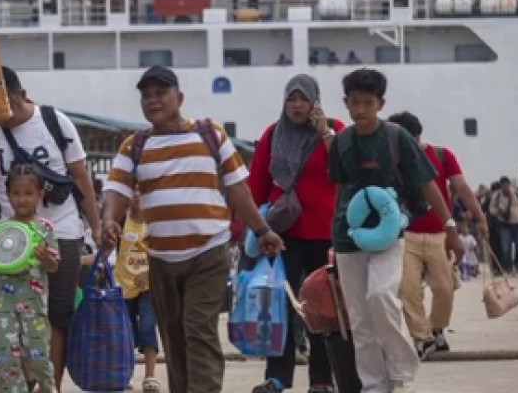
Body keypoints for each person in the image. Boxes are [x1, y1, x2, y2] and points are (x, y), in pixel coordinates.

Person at [102, 65, 283, 393]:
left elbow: (238, 189)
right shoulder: (135, 145)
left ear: (179, 97)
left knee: (198, 330)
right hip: (160, 258)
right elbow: (117, 190)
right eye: (147, 95)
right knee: (173, 337)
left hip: (208, 252)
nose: (153, 100)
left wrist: (261, 230)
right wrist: (109, 221)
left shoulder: (210, 134)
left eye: (161, 93)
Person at [329, 69, 459, 393]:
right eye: (354, 103)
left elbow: (427, 182)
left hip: (390, 234)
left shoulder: (396, 136)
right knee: (359, 318)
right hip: (349, 237)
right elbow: (339, 189)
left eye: (367, 103)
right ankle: (373, 385)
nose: (360, 110)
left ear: (380, 103)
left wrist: (450, 225)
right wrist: (332, 235)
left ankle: (400, 372)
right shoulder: (341, 141)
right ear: (346, 103)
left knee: (381, 297)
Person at [0, 67, 99, 388]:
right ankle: (22, 383)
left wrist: (96, 229)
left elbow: (82, 179)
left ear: (22, 95)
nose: (4, 112)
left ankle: (51, 385)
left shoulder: (54, 122)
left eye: (8, 103)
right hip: (9, 238)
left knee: (56, 315)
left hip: (61, 232)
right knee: (13, 315)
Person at [247, 74, 342, 393]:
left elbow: (345, 171)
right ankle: (277, 377)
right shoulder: (273, 134)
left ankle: (321, 379)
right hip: (282, 236)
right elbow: (256, 187)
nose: (298, 105)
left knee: (323, 309)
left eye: (303, 99)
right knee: (280, 306)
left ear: (315, 101)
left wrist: (324, 133)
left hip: (326, 234)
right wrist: (255, 229)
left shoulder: (335, 130)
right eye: (292, 99)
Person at [386, 111, 485, 359]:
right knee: (409, 289)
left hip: (440, 234)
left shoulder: (441, 155)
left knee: (444, 288)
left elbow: (461, 188)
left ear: (417, 137)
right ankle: (421, 338)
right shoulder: (392, 161)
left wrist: (480, 217)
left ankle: (436, 329)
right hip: (405, 235)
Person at [0, 164, 59, 393]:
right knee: (5, 357)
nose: (22, 199)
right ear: (7, 196)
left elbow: (54, 266)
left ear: (40, 195)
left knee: (37, 355)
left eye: (28, 193)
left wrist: (45, 258)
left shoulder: (44, 229)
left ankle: (48, 387)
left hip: (33, 305)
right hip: (2, 305)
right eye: (16, 193)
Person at [114, 189, 160, 393]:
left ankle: (150, 376)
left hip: (149, 286)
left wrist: (149, 274)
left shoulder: (155, 223)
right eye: (133, 190)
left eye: (142, 190)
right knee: (126, 331)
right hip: (123, 285)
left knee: (148, 326)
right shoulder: (120, 221)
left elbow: (162, 254)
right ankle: (126, 373)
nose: (136, 195)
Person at [489, 177, 518, 273]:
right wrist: (498, 211)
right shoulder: (497, 196)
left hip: (517, 223)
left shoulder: (517, 194)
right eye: (503, 186)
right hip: (504, 225)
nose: (505, 188)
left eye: (507, 186)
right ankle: (508, 267)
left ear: (509, 185)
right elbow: (491, 209)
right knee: (505, 248)